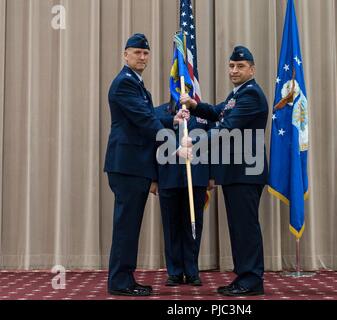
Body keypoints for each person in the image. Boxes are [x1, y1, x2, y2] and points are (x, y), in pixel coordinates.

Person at [104, 33, 190, 297]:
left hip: (134, 166)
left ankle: (125, 278)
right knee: (126, 227)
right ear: (125, 55)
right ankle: (119, 282)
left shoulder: (139, 86)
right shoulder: (124, 84)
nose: (142, 57)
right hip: (127, 165)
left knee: (130, 227)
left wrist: (173, 119)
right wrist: (175, 146)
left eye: (145, 53)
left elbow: (151, 116)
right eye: (136, 52)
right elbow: (144, 120)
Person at [180, 46, 268, 297]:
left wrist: (194, 141)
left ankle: (251, 279)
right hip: (235, 172)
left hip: (246, 171)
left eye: (240, 66)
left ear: (252, 69)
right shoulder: (237, 94)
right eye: (231, 66)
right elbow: (219, 112)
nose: (234, 70)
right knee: (239, 228)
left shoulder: (251, 95)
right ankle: (245, 277)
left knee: (246, 227)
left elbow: (227, 127)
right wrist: (194, 105)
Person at [154, 98, 214, 287]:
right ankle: (175, 271)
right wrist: (153, 179)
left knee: (193, 225)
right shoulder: (159, 113)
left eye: (188, 86)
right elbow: (152, 143)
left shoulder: (203, 114)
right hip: (168, 176)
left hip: (196, 177)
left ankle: (192, 270)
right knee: (171, 226)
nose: (183, 91)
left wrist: (212, 175)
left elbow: (213, 146)